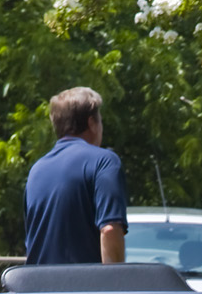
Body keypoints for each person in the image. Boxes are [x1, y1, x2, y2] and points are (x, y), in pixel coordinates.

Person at [24, 87, 127, 265]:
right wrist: (117, 286)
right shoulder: (104, 162)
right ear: (92, 123)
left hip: (38, 288)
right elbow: (110, 229)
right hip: (84, 289)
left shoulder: (36, 170)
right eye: (100, 120)